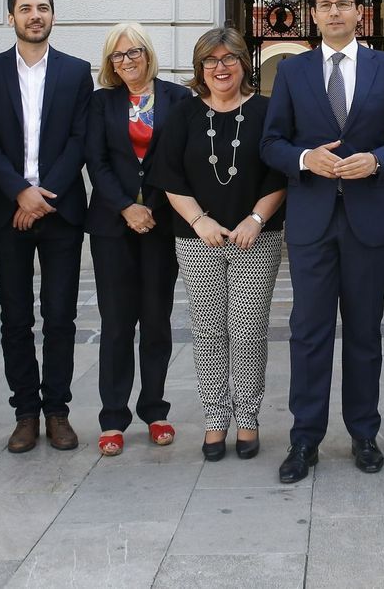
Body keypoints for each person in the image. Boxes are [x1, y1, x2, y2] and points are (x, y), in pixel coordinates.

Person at [260, 0, 384, 483]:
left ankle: (364, 433)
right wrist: (307, 158)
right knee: (308, 333)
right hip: (311, 222)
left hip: (369, 223)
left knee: (364, 332)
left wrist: (375, 161)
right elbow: (272, 143)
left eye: (343, 4)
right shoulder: (292, 72)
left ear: (359, 12)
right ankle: (304, 439)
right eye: (325, 5)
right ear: (313, 14)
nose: (334, 12)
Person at [151, 28, 286, 461]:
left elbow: (278, 173)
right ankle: (215, 419)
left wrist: (256, 218)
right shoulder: (183, 114)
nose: (221, 67)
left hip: (257, 240)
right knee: (209, 332)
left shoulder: (267, 111)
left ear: (244, 63)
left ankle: (247, 417)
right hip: (196, 240)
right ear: (200, 67)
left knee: (247, 332)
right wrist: (199, 220)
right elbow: (168, 173)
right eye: (211, 60)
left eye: (229, 58)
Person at [0, 0, 93, 455]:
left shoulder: (76, 72)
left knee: (60, 316)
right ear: (11, 19)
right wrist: (20, 193)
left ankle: (57, 411)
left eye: (43, 8)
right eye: (25, 9)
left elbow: (80, 141)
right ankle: (25, 412)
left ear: (53, 17)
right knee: (15, 318)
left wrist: (43, 196)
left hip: (59, 211)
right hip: (8, 212)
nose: (35, 15)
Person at [85, 23, 190, 456]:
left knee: (156, 321)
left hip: (163, 226)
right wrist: (126, 207)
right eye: (118, 56)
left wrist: (154, 209)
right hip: (113, 227)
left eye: (134, 53)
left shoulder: (177, 98)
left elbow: (180, 158)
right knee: (115, 324)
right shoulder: (101, 102)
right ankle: (112, 417)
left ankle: (155, 409)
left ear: (148, 54)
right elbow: (96, 160)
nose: (127, 61)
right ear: (110, 63)